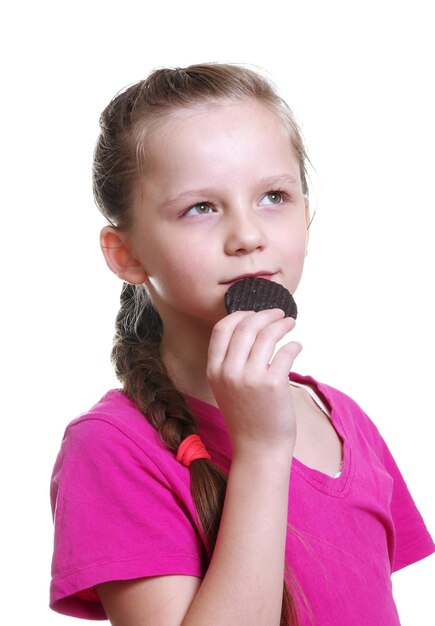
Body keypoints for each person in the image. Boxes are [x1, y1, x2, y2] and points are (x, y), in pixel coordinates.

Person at [49, 63, 434, 626]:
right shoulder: (111, 449)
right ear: (125, 253)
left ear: (309, 214)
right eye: (200, 207)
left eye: (274, 196)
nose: (249, 235)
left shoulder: (343, 420)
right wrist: (260, 451)